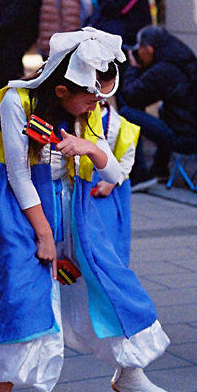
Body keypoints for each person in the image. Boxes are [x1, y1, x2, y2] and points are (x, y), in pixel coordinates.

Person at [0, 28, 176, 392]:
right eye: (91, 97)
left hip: (75, 210)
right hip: (20, 211)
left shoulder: (88, 111)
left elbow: (115, 174)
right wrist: (45, 235)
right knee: (20, 300)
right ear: (62, 87)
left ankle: (130, 373)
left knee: (109, 286)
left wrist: (88, 145)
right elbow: (17, 175)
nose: (99, 104)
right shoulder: (16, 102)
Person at [119, 26, 197, 187]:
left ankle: (139, 173)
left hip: (184, 138)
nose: (137, 52)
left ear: (149, 49)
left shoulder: (165, 70)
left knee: (127, 113)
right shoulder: (183, 60)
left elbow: (131, 96)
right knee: (163, 111)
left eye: (139, 48)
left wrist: (133, 68)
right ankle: (159, 169)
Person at [91, 69, 139, 264]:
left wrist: (113, 181)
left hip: (106, 186)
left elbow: (127, 157)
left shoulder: (120, 124)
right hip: (80, 183)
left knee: (109, 238)